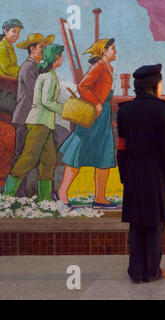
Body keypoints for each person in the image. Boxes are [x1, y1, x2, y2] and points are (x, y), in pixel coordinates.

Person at [117, 64, 165, 284]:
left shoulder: (124, 111)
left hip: (134, 172)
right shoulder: (162, 110)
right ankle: (152, 271)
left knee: (136, 224)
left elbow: (122, 148)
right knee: (155, 223)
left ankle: (136, 271)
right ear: (154, 86)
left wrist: (125, 175)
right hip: (156, 175)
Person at [57, 39, 117, 208]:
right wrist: (96, 103)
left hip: (103, 116)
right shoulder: (98, 67)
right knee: (78, 151)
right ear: (104, 51)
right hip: (93, 115)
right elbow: (83, 87)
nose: (115, 52)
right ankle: (62, 192)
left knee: (105, 154)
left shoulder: (107, 68)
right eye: (113, 49)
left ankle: (100, 198)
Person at [3, 44, 65, 201]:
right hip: (39, 123)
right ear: (56, 58)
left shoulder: (48, 74)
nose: (62, 58)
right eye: (61, 55)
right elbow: (46, 101)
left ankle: (45, 199)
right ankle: (8, 195)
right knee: (29, 158)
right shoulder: (49, 77)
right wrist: (65, 109)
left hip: (45, 123)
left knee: (49, 161)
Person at [11, 33, 54, 197]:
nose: (44, 50)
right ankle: (16, 196)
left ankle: (35, 195)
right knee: (23, 156)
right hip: (25, 117)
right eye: (41, 47)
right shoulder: (29, 68)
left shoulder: (36, 68)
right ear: (32, 48)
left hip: (34, 118)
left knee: (40, 157)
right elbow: (37, 94)